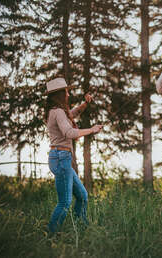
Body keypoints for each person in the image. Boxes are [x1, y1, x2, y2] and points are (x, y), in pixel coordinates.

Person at [44, 77, 102, 233]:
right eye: (66, 92)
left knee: (82, 196)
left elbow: (72, 114)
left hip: (63, 158)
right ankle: (51, 235)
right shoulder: (57, 112)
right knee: (64, 202)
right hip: (61, 158)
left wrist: (85, 104)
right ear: (60, 94)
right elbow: (69, 132)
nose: (68, 94)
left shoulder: (58, 111)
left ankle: (80, 228)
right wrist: (92, 130)